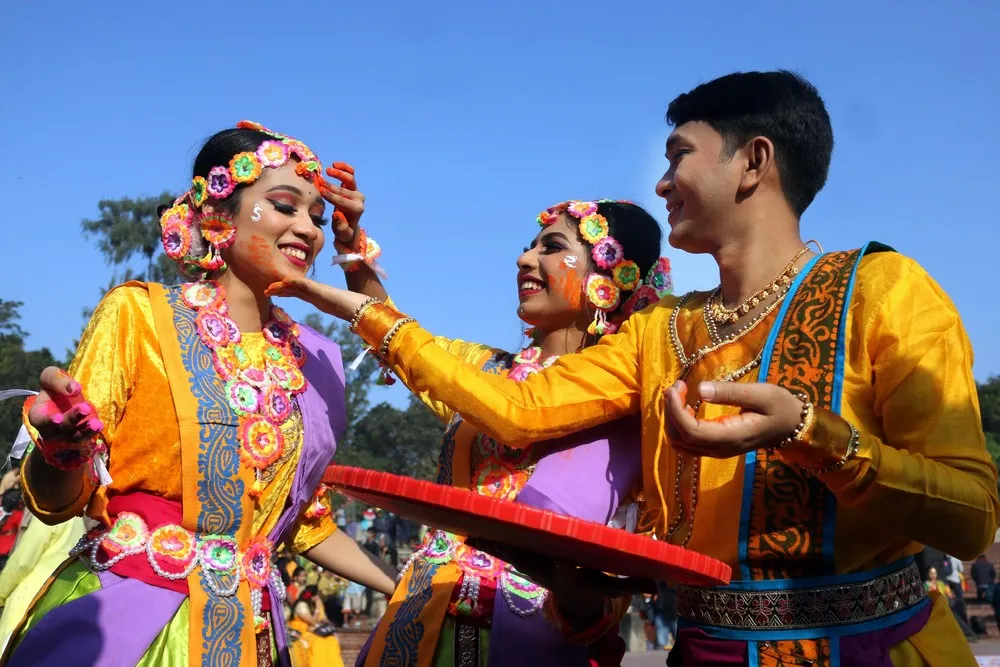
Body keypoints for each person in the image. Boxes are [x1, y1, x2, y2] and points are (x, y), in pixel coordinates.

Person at [269, 71, 998, 666]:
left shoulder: (885, 290)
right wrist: (364, 303)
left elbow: (973, 513)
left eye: (679, 154)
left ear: (754, 161)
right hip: (704, 648)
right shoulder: (663, 329)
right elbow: (519, 408)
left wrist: (815, 433)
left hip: (875, 647)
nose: (662, 182)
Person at [2, 122, 397, 667]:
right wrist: (61, 447)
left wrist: (409, 588)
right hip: (132, 622)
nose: (308, 229)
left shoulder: (319, 361)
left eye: (318, 217)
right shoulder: (139, 315)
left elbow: (303, 521)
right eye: (285, 206)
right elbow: (53, 502)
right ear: (216, 216)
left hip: (252, 635)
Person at [272, 165, 670, 664]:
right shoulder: (486, 370)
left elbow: (615, 555)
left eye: (552, 247)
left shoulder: (622, 399)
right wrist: (354, 253)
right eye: (531, 245)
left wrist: (582, 599)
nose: (525, 258)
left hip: (532, 631)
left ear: (607, 278)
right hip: (422, 620)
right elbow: (406, 343)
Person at [0, 509, 85, 652]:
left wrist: (1, 593)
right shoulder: (83, 518)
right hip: (54, 600)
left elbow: (22, 562)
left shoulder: (50, 513)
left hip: (26, 601)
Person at [287, 585, 345, 667]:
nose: (318, 598)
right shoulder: (301, 605)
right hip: (301, 632)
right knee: (319, 642)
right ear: (313, 596)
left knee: (331, 640)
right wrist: (318, 608)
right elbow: (312, 621)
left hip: (309, 631)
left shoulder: (310, 604)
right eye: (317, 596)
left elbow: (319, 620)